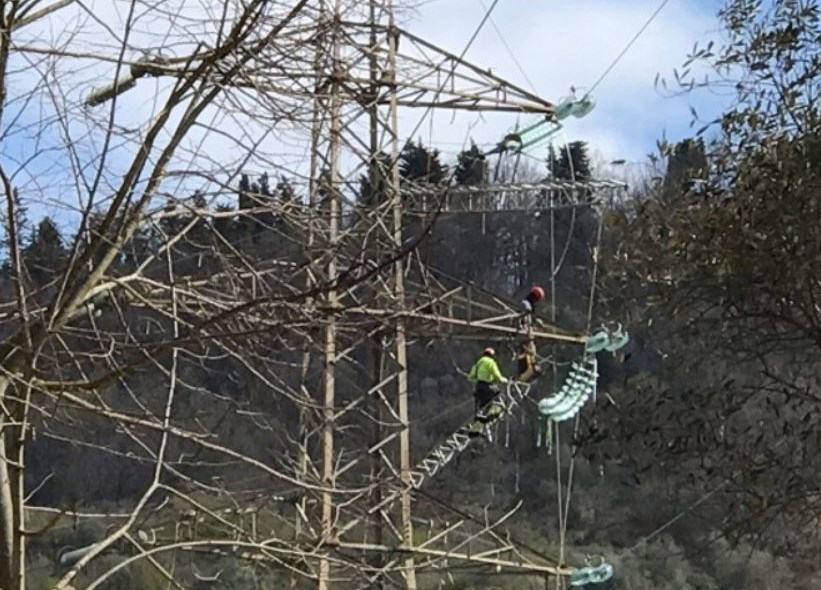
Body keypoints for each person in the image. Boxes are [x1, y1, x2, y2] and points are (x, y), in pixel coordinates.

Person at [467, 346, 507, 412]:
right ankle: (496, 410)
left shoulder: (479, 362)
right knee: (498, 394)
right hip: (488, 387)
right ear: (492, 355)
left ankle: (482, 414)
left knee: (482, 403)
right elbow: (497, 375)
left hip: (479, 387)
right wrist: (504, 380)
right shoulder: (491, 362)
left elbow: (471, 376)